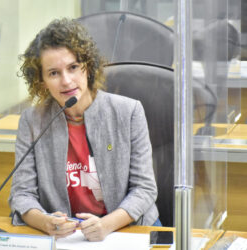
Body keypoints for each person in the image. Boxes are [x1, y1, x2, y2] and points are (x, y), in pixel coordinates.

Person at [9, 18, 159, 241]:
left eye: (73, 67)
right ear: (41, 82)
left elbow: (144, 188)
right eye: (53, 73)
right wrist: (45, 222)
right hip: (65, 238)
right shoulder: (32, 121)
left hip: (126, 229)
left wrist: (106, 225)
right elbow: (21, 194)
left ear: (87, 67)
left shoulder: (129, 112)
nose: (67, 81)